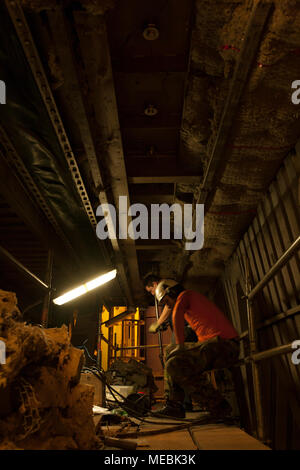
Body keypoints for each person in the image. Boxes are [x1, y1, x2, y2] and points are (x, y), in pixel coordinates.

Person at [152, 279, 240, 419]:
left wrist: (180, 345)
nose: (167, 305)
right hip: (217, 346)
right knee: (170, 353)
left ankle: (218, 405)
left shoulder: (186, 295)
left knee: (174, 362)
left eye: (166, 301)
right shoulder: (188, 303)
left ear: (172, 292)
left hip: (224, 344)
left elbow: (177, 313)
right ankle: (174, 405)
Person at [143, 274, 197, 411]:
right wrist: (165, 323)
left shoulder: (167, 288)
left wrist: (158, 322)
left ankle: (174, 403)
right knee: (182, 365)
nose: (152, 294)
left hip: (185, 329)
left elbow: (169, 306)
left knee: (172, 360)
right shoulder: (171, 289)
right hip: (185, 328)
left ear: (155, 284)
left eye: (150, 291)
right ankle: (185, 402)